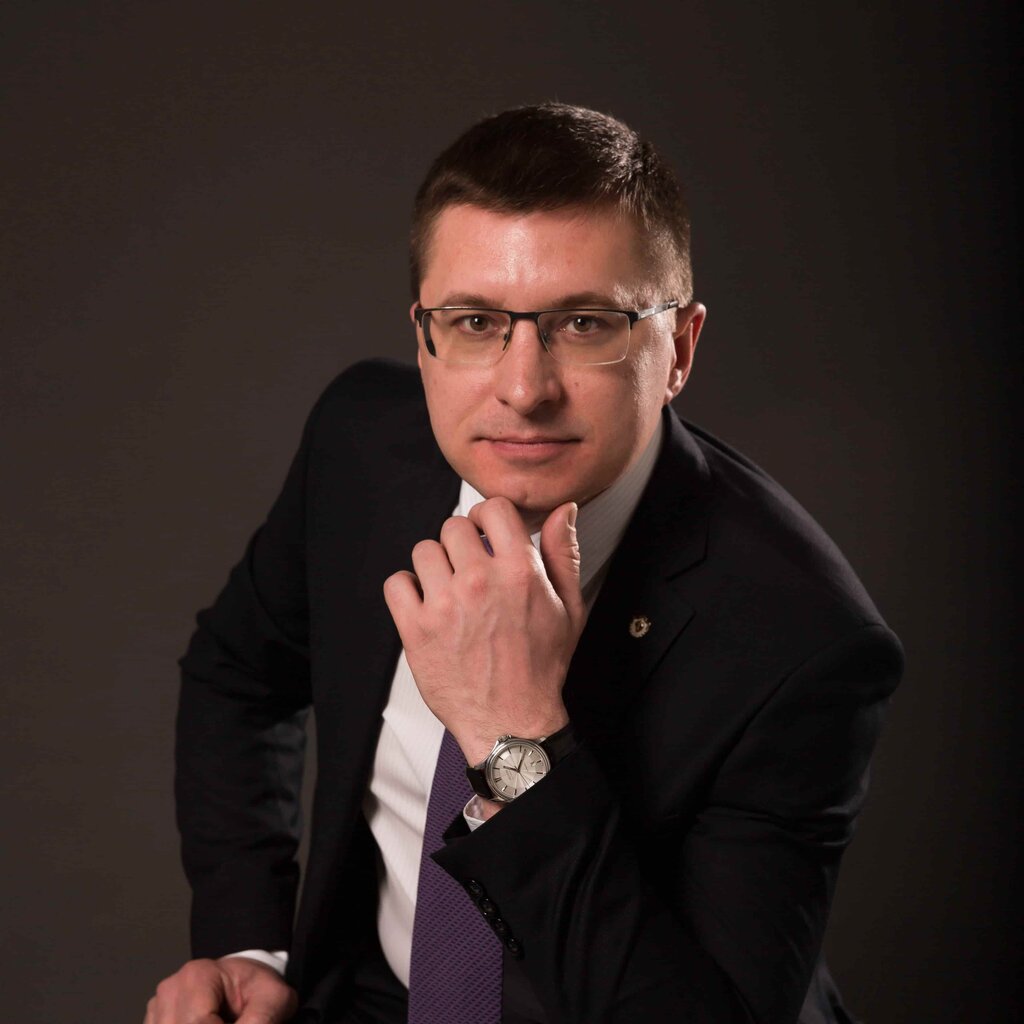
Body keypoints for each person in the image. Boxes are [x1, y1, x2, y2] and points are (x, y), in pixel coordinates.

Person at [146, 103, 903, 1024]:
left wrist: (515, 738)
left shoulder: (802, 637)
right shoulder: (361, 444)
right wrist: (248, 945)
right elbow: (237, 672)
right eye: (474, 321)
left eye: (585, 323)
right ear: (423, 336)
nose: (523, 388)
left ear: (679, 349)